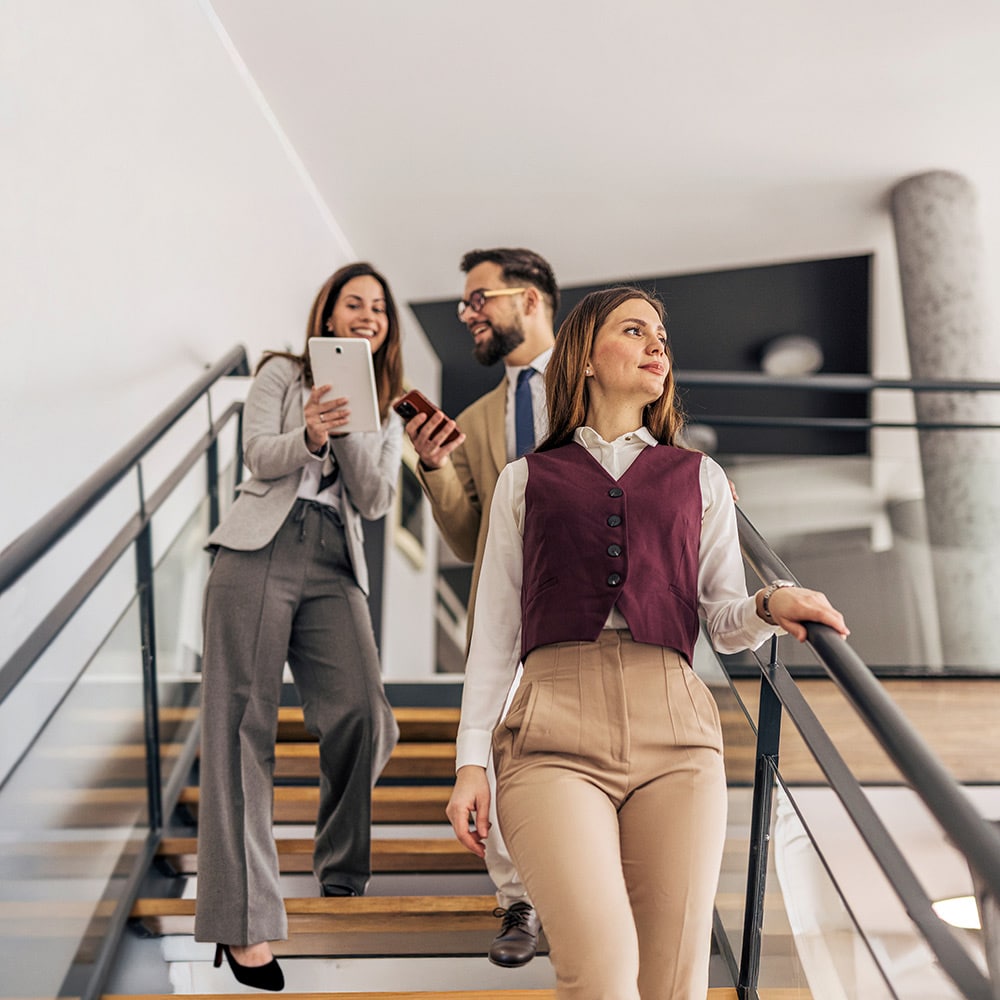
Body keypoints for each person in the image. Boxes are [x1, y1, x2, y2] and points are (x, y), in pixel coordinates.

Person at [445, 285, 850, 999]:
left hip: (677, 735)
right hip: (550, 735)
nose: (657, 344)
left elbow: (722, 620)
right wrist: (471, 762)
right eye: (635, 330)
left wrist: (768, 602)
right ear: (585, 358)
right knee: (600, 973)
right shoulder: (524, 480)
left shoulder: (701, 477)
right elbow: (495, 635)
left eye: (661, 334)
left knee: (674, 982)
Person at [194, 262, 405, 991]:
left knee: (364, 714)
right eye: (355, 303)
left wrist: (352, 420)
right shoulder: (281, 372)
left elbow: (375, 499)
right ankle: (243, 924)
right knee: (240, 727)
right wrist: (310, 432)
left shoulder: (388, 409)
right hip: (257, 547)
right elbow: (259, 454)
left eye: (380, 308)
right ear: (329, 314)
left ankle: (341, 870)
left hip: (334, 559)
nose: (368, 315)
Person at [402, 247, 559, 967]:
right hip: (509, 601)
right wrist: (434, 465)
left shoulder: (599, 382)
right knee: (497, 741)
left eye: (479, 299)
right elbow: (467, 539)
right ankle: (519, 898)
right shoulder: (474, 418)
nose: (467, 314)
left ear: (529, 299)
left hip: (597, 600)